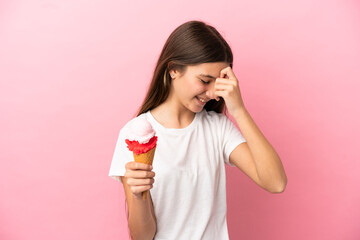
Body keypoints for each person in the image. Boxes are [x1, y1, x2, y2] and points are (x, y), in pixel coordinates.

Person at [108, 20, 287, 240]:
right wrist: (138, 195)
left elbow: (276, 183)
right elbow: (142, 237)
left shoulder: (217, 128)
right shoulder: (135, 134)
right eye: (205, 80)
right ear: (173, 70)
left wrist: (238, 109)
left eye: (218, 83)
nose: (213, 93)